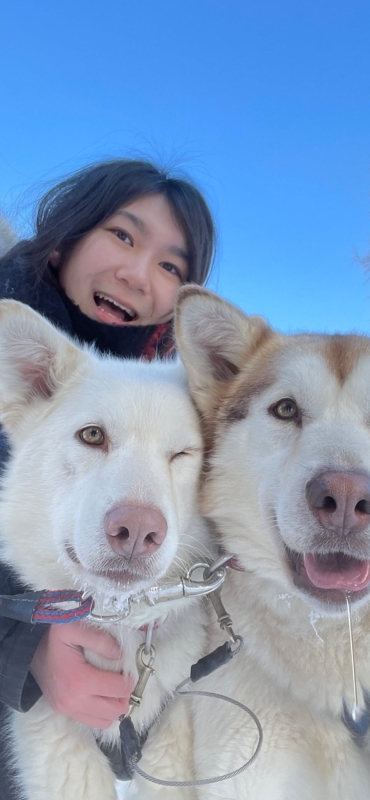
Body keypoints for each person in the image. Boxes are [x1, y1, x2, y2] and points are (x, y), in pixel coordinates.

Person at [0, 158, 215, 797]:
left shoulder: (186, 390)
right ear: (66, 234)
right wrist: (21, 648)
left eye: (171, 266)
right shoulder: (36, 369)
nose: (137, 274)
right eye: (123, 235)